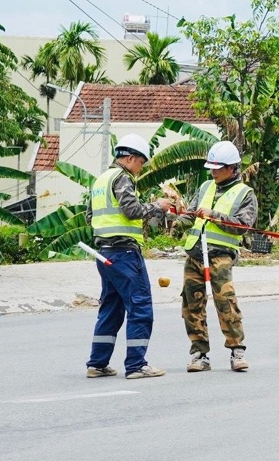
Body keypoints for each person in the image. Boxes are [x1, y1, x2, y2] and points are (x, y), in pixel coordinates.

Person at [86, 134, 171, 379]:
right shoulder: (123, 177)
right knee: (140, 306)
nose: (140, 168)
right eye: (141, 163)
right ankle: (136, 365)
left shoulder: (101, 179)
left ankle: (97, 363)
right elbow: (132, 210)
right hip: (124, 252)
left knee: (111, 309)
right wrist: (157, 207)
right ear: (131, 157)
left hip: (104, 253)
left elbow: (89, 216)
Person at [176, 140, 257, 373]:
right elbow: (192, 214)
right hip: (194, 254)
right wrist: (176, 221)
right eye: (210, 167)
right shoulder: (205, 187)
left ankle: (237, 351)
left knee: (226, 302)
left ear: (232, 168)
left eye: (217, 168)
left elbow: (243, 225)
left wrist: (215, 215)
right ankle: (199, 354)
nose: (212, 172)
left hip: (220, 256)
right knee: (192, 305)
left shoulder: (245, 194)